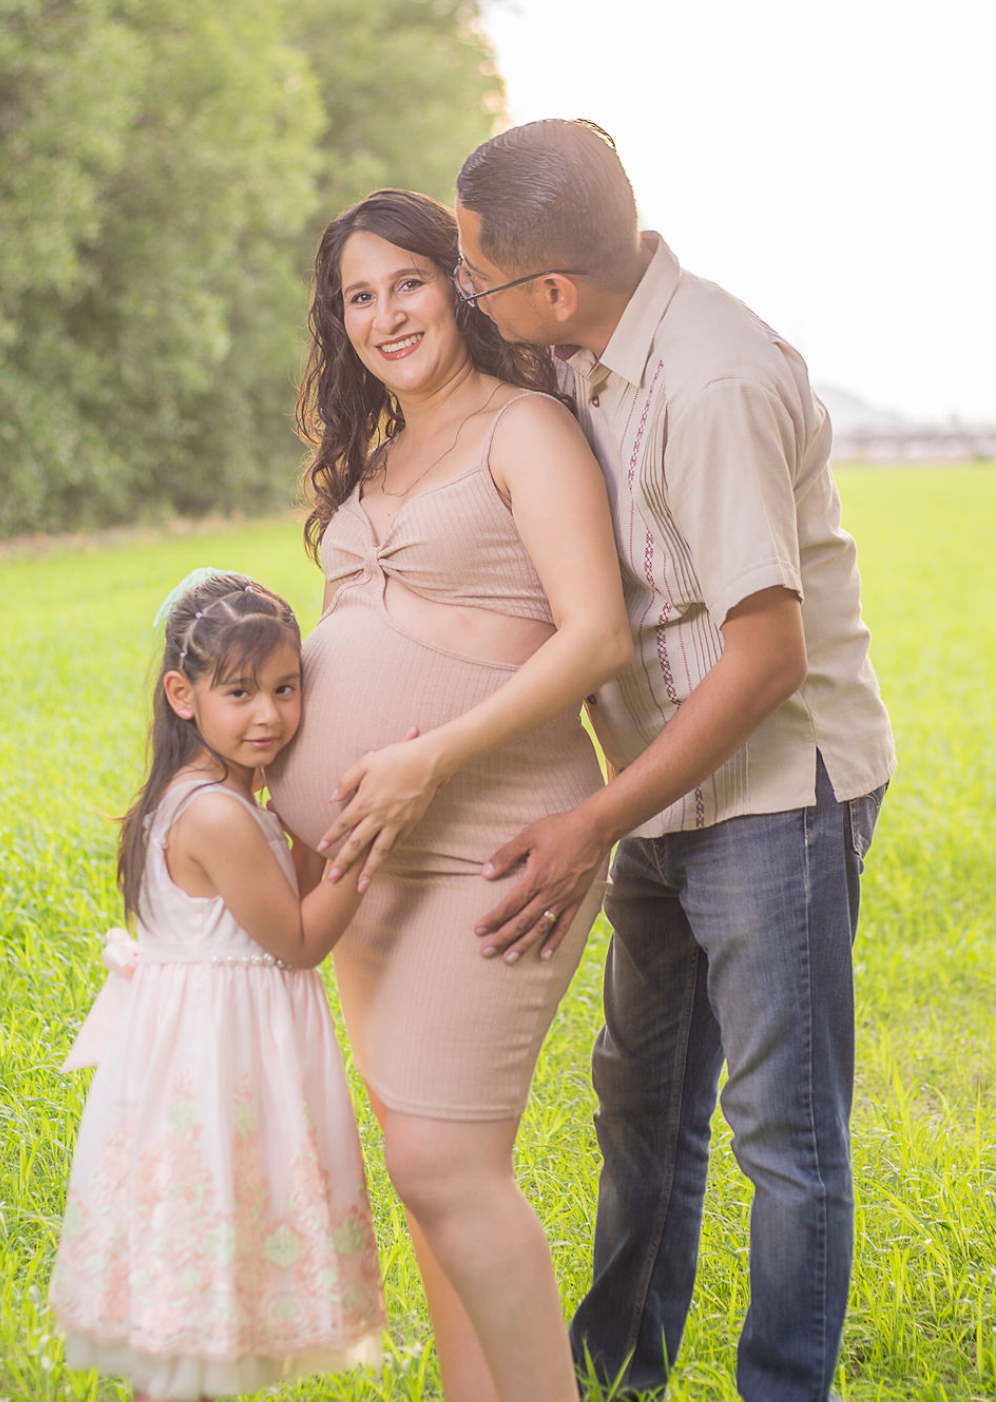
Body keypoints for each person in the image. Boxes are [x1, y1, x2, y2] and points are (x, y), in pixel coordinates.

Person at [454, 120, 897, 1402]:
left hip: (771, 796)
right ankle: (616, 1379)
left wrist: (591, 822)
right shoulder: (583, 351)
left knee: (784, 1140)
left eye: (481, 278)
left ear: (551, 288)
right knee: (641, 1109)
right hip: (653, 791)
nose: (476, 300)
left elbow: (762, 657)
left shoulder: (710, 379)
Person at [265, 188, 632, 1402]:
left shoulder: (520, 429)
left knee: (442, 1157)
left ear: (456, 283)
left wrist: (427, 757)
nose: (385, 315)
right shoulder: (370, 463)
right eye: (358, 297)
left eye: (407, 282)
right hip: (364, 862)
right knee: (419, 1163)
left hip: (489, 827)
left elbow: (592, 638)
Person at [49, 570, 385, 1402]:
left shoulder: (222, 795)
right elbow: (301, 940)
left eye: (284, 689)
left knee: (204, 1304)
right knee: (201, 1295)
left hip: (204, 1061)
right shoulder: (213, 814)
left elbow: (289, 885)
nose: (268, 714)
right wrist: (375, 835)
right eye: (239, 691)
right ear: (183, 693)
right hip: (217, 1075)